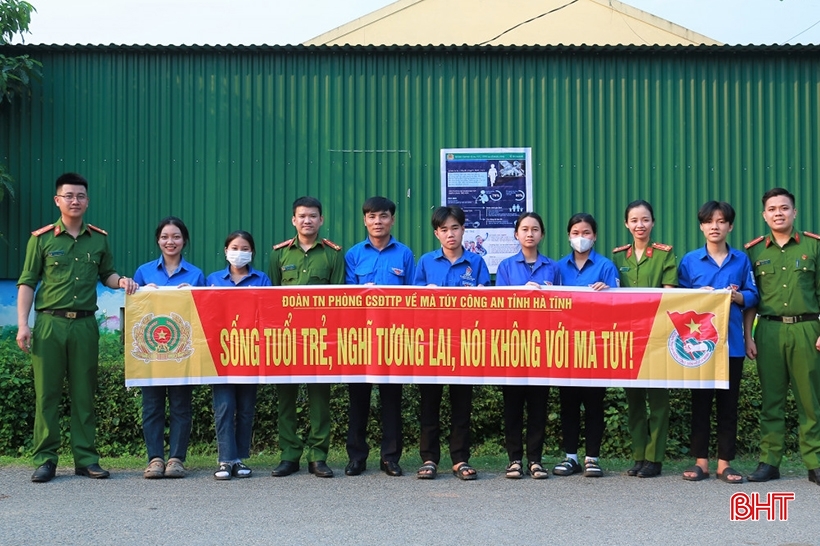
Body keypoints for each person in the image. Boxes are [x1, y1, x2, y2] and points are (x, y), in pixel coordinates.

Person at [16, 172, 138, 483]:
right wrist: (22, 325)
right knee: (47, 395)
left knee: (84, 394)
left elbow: (107, 274)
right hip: (49, 324)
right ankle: (46, 459)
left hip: (84, 325)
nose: (75, 201)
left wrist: (121, 282)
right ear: (57, 200)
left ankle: (86, 459)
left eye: (80, 196)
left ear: (87, 200)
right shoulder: (41, 239)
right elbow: (27, 282)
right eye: (68, 196)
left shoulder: (99, 238)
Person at [744, 188, 820, 485]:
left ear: (794, 212)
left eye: (784, 208)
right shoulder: (755, 251)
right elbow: (751, 298)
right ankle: (769, 461)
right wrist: (748, 336)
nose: (778, 213)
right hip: (769, 330)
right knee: (771, 400)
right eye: (772, 209)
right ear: (764, 215)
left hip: (807, 330)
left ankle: (814, 462)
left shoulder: (813, 247)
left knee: (810, 401)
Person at [679, 202, 758, 484]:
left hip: (732, 344)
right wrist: (697, 296)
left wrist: (738, 298)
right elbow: (676, 301)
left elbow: (753, 296)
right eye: (709, 221)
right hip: (698, 348)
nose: (715, 226)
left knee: (728, 405)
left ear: (730, 226)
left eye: (722, 221)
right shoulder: (689, 261)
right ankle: (701, 461)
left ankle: (725, 462)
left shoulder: (741, 260)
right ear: (701, 226)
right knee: (700, 405)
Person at [268, 196, 344, 478]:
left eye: (313, 216)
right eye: (302, 216)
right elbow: (271, 298)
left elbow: (339, 300)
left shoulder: (333, 254)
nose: (307, 220)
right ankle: (289, 455)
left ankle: (318, 455)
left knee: (319, 400)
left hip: (320, 339)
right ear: (293, 220)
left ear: (321, 220)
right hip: (286, 338)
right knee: (285, 398)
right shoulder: (279, 254)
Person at [413, 205, 490, 480]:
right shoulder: (425, 262)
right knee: (429, 404)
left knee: (461, 405)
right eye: (444, 229)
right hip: (432, 345)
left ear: (463, 230)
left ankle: (460, 459)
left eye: (455, 228)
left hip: (464, 344)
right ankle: (429, 458)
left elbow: (488, 305)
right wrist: (425, 293)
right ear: (436, 233)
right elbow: (412, 304)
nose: (450, 234)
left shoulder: (477, 263)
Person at [343, 196, 416, 478]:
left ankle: (390, 457)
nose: (378, 222)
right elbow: (347, 296)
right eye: (372, 217)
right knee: (358, 400)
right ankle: (357, 457)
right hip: (361, 339)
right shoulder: (353, 254)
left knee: (391, 401)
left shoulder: (405, 254)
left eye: (383, 216)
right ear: (365, 220)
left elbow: (412, 295)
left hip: (394, 338)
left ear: (392, 220)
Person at [133, 216, 206, 479]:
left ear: (184, 240)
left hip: (181, 352)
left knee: (180, 406)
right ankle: (154, 459)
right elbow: (135, 311)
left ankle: (176, 458)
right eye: (165, 237)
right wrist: (142, 291)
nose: (170, 241)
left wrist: (194, 295)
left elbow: (202, 315)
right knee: (151, 406)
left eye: (176, 236)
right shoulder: (143, 272)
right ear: (158, 241)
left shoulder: (196, 274)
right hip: (150, 351)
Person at [612, 199, 677, 478]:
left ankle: (655, 457)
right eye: (634, 220)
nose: (640, 225)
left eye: (645, 220)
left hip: (657, 337)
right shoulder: (617, 257)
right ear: (626, 224)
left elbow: (669, 294)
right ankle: (639, 455)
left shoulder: (665, 255)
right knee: (635, 401)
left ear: (653, 223)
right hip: (629, 339)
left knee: (659, 402)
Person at [554, 213, 619, 478]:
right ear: (569, 236)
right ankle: (571, 457)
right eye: (576, 233)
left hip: (596, 346)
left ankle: (592, 457)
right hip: (566, 345)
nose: (581, 238)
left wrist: (608, 293)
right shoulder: (557, 267)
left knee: (594, 404)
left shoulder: (606, 267)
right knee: (568, 404)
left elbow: (618, 305)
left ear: (595, 236)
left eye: (587, 233)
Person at [495, 212, 560, 480]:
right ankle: (514, 460)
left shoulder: (552, 267)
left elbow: (562, 304)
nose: (530, 234)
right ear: (516, 234)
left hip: (542, 345)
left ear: (542, 234)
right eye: (524, 229)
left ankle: (535, 459)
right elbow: (499, 304)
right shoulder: (506, 267)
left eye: (535, 229)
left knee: (538, 405)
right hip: (513, 345)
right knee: (512, 405)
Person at [206, 230, 272, 480]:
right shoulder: (212, 279)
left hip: (250, 353)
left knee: (245, 408)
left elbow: (267, 313)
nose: (239, 252)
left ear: (252, 252)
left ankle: (240, 458)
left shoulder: (262, 278)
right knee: (224, 407)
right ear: (225, 251)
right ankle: (225, 459)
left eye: (244, 248)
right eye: (234, 247)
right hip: (220, 354)